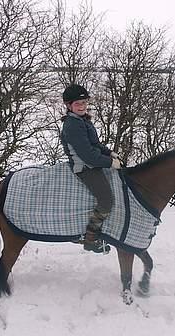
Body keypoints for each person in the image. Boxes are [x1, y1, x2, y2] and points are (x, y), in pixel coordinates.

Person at [60, 83, 121, 253]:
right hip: (84, 168)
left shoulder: (83, 120)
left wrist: (110, 153)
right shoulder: (72, 125)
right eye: (78, 104)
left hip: (92, 163)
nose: (82, 107)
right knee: (106, 200)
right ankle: (91, 238)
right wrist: (109, 163)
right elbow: (88, 155)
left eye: (84, 103)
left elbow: (95, 144)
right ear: (69, 106)